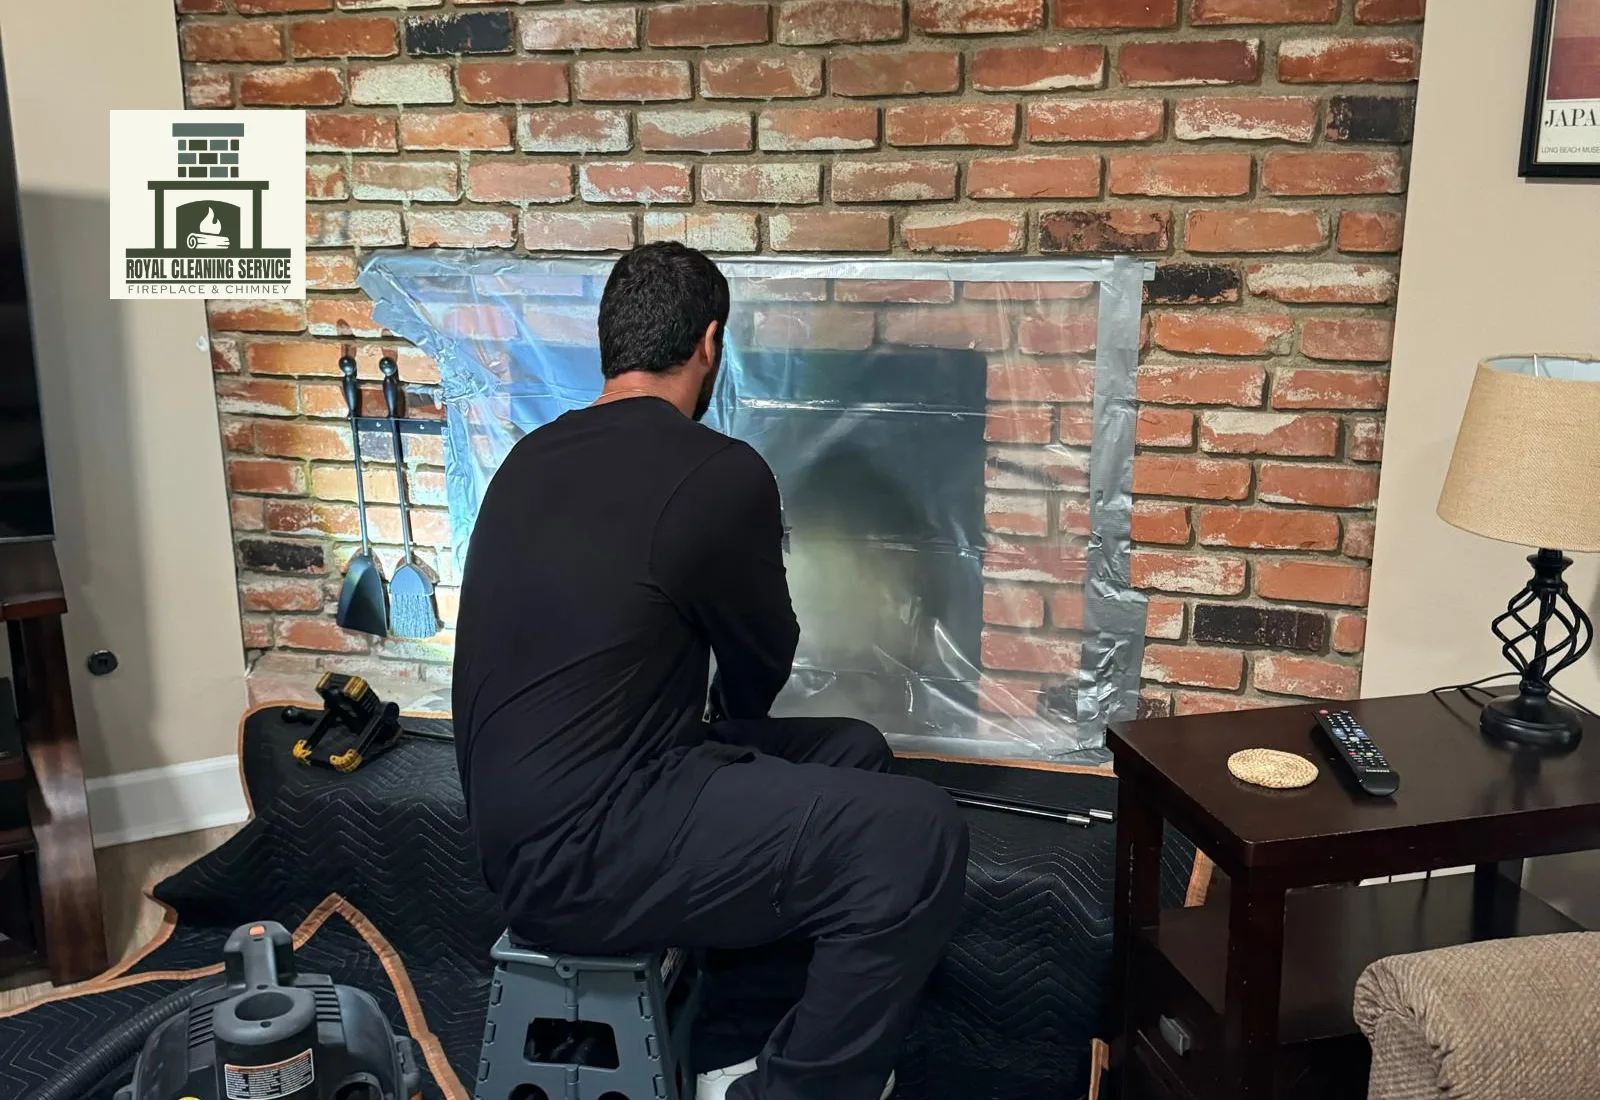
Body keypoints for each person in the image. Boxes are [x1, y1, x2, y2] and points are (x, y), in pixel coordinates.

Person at [452, 242, 969, 1100]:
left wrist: (725, 743)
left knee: (856, 752)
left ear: (608, 346)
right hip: (587, 847)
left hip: (516, 834)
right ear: (710, 343)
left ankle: (748, 1041)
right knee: (913, 835)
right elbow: (761, 661)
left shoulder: (525, 459)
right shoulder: (718, 471)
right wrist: (730, 733)